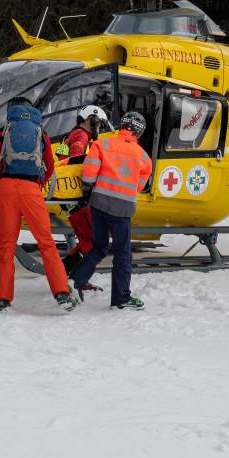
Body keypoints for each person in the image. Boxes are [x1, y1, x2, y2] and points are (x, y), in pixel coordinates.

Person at [0, 96, 79, 312]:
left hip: (6, 189)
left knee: (6, 246)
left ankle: (3, 298)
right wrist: (37, 182)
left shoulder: (2, 132)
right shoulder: (41, 132)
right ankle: (61, 292)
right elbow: (49, 164)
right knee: (46, 243)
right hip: (31, 189)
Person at [69, 111, 153, 310]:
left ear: (122, 125)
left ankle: (75, 280)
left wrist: (92, 190)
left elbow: (88, 176)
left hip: (98, 205)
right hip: (122, 210)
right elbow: (139, 186)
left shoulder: (102, 145)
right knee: (123, 253)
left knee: (99, 247)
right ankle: (121, 298)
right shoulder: (144, 157)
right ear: (139, 132)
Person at [58, 105, 108, 277]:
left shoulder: (71, 134)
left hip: (70, 197)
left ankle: (69, 274)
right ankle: (67, 272)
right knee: (95, 241)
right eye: (100, 124)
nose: (99, 129)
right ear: (91, 120)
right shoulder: (81, 136)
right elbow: (77, 163)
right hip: (79, 198)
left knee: (88, 240)